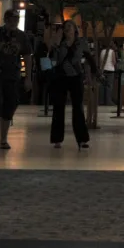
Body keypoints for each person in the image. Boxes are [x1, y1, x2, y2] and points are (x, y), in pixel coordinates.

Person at [0, 8, 33, 151]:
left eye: (16, 19)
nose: (14, 22)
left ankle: (3, 139)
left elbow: (27, 57)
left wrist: (28, 78)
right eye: (11, 19)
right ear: (5, 20)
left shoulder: (22, 37)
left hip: (13, 76)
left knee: (9, 107)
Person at [49, 20, 91, 150]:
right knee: (58, 107)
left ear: (75, 29)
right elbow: (51, 59)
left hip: (76, 77)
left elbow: (89, 60)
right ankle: (57, 139)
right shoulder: (59, 43)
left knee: (78, 108)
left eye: (69, 27)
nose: (67, 30)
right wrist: (55, 43)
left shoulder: (81, 43)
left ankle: (82, 139)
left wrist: (89, 76)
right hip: (60, 77)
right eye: (65, 27)